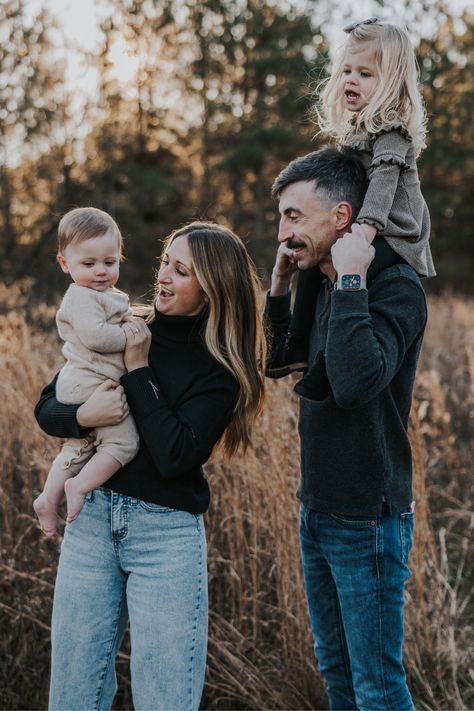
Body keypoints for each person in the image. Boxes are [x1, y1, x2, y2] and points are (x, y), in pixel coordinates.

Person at [34, 221, 266, 711]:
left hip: (164, 538)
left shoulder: (218, 370)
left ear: (211, 289)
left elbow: (174, 454)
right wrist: (81, 416)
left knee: (164, 699)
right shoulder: (124, 326)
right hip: (91, 519)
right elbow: (46, 407)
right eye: (165, 262)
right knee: (74, 695)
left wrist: (138, 368)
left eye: (180, 271)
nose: (162, 276)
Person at [265, 147, 428, 710]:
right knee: (337, 674)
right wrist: (280, 289)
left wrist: (354, 279)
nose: (283, 232)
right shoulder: (320, 280)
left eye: (294, 216)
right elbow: (278, 364)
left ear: (341, 217)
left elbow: (358, 383)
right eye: (281, 216)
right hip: (319, 506)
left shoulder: (394, 286)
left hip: (370, 517)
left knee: (377, 687)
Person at [269, 17, 435, 393]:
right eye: (346, 71)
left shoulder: (392, 133)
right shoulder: (356, 131)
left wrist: (362, 231)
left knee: (348, 273)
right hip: (367, 227)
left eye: (365, 73)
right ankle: (297, 346)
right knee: (314, 260)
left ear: (390, 83)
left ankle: (331, 364)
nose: (351, 80)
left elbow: (380, 187)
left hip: (393, 236)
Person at [33, 207, 139, 536]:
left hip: (83, 384)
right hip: (87, 386)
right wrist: (130, 337)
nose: (101, 272)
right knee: (123, 444)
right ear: (65, 264)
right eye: (88, 264)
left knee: (77, 447)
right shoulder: (80, 297)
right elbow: (95, 336)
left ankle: (48, 498)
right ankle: (78, 487)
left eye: (110, 262)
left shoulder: (106, 295)